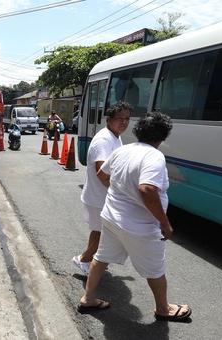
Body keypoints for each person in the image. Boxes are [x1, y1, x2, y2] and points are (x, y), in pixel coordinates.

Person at [78, 112, 192, 322]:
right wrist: (164, 223)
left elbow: (103, 174)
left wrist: (120, 193)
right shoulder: (154, 156)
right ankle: (163, 308)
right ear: (162, 137)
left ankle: (88, 298)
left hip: (112, 218)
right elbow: (147, 189)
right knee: (155, 268)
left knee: (101, 258)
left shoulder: (124, 150)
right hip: (138, 225)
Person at [73, 101, 132, 276]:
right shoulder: (104, 140)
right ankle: (83, 259)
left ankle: (88, 260)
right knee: (106, 233)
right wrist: (119, 192)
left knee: (100, 231)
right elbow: (101, 172)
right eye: (119, 118)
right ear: (109, 119)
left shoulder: (115, 136)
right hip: (100, 196)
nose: (123, 122)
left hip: (102, 196)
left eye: (127, 119)